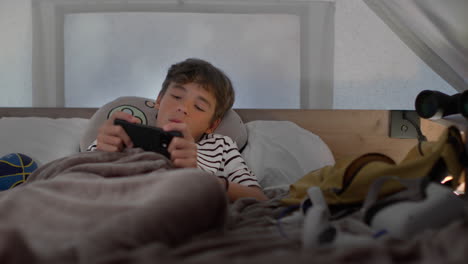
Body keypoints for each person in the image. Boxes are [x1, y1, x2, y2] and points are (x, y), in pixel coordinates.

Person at [87, 58, 268, 202]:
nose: (183, 108)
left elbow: (258, 198)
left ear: (211, 125)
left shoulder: (221, 146)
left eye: (199, 107)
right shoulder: (125, 135)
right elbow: (76, 179)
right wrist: (104, 155)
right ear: (159, 100)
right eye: (176, 96)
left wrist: (198, 179)